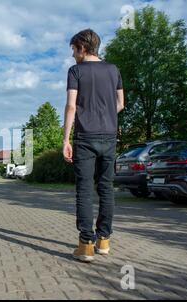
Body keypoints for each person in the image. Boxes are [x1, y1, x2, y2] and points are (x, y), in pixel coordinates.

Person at [63, 29, 125, 262]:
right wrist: (105, 116)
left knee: (85, 189)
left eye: (74, 50)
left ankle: (86, 245)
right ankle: (104, 241)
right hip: (109, 137)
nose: (73, 56)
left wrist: (66, 139)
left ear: (83, 47)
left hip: (85, 137)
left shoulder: (76, 71)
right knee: (106, 188)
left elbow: (71, 106)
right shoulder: (113, 70)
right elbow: (120, 103)